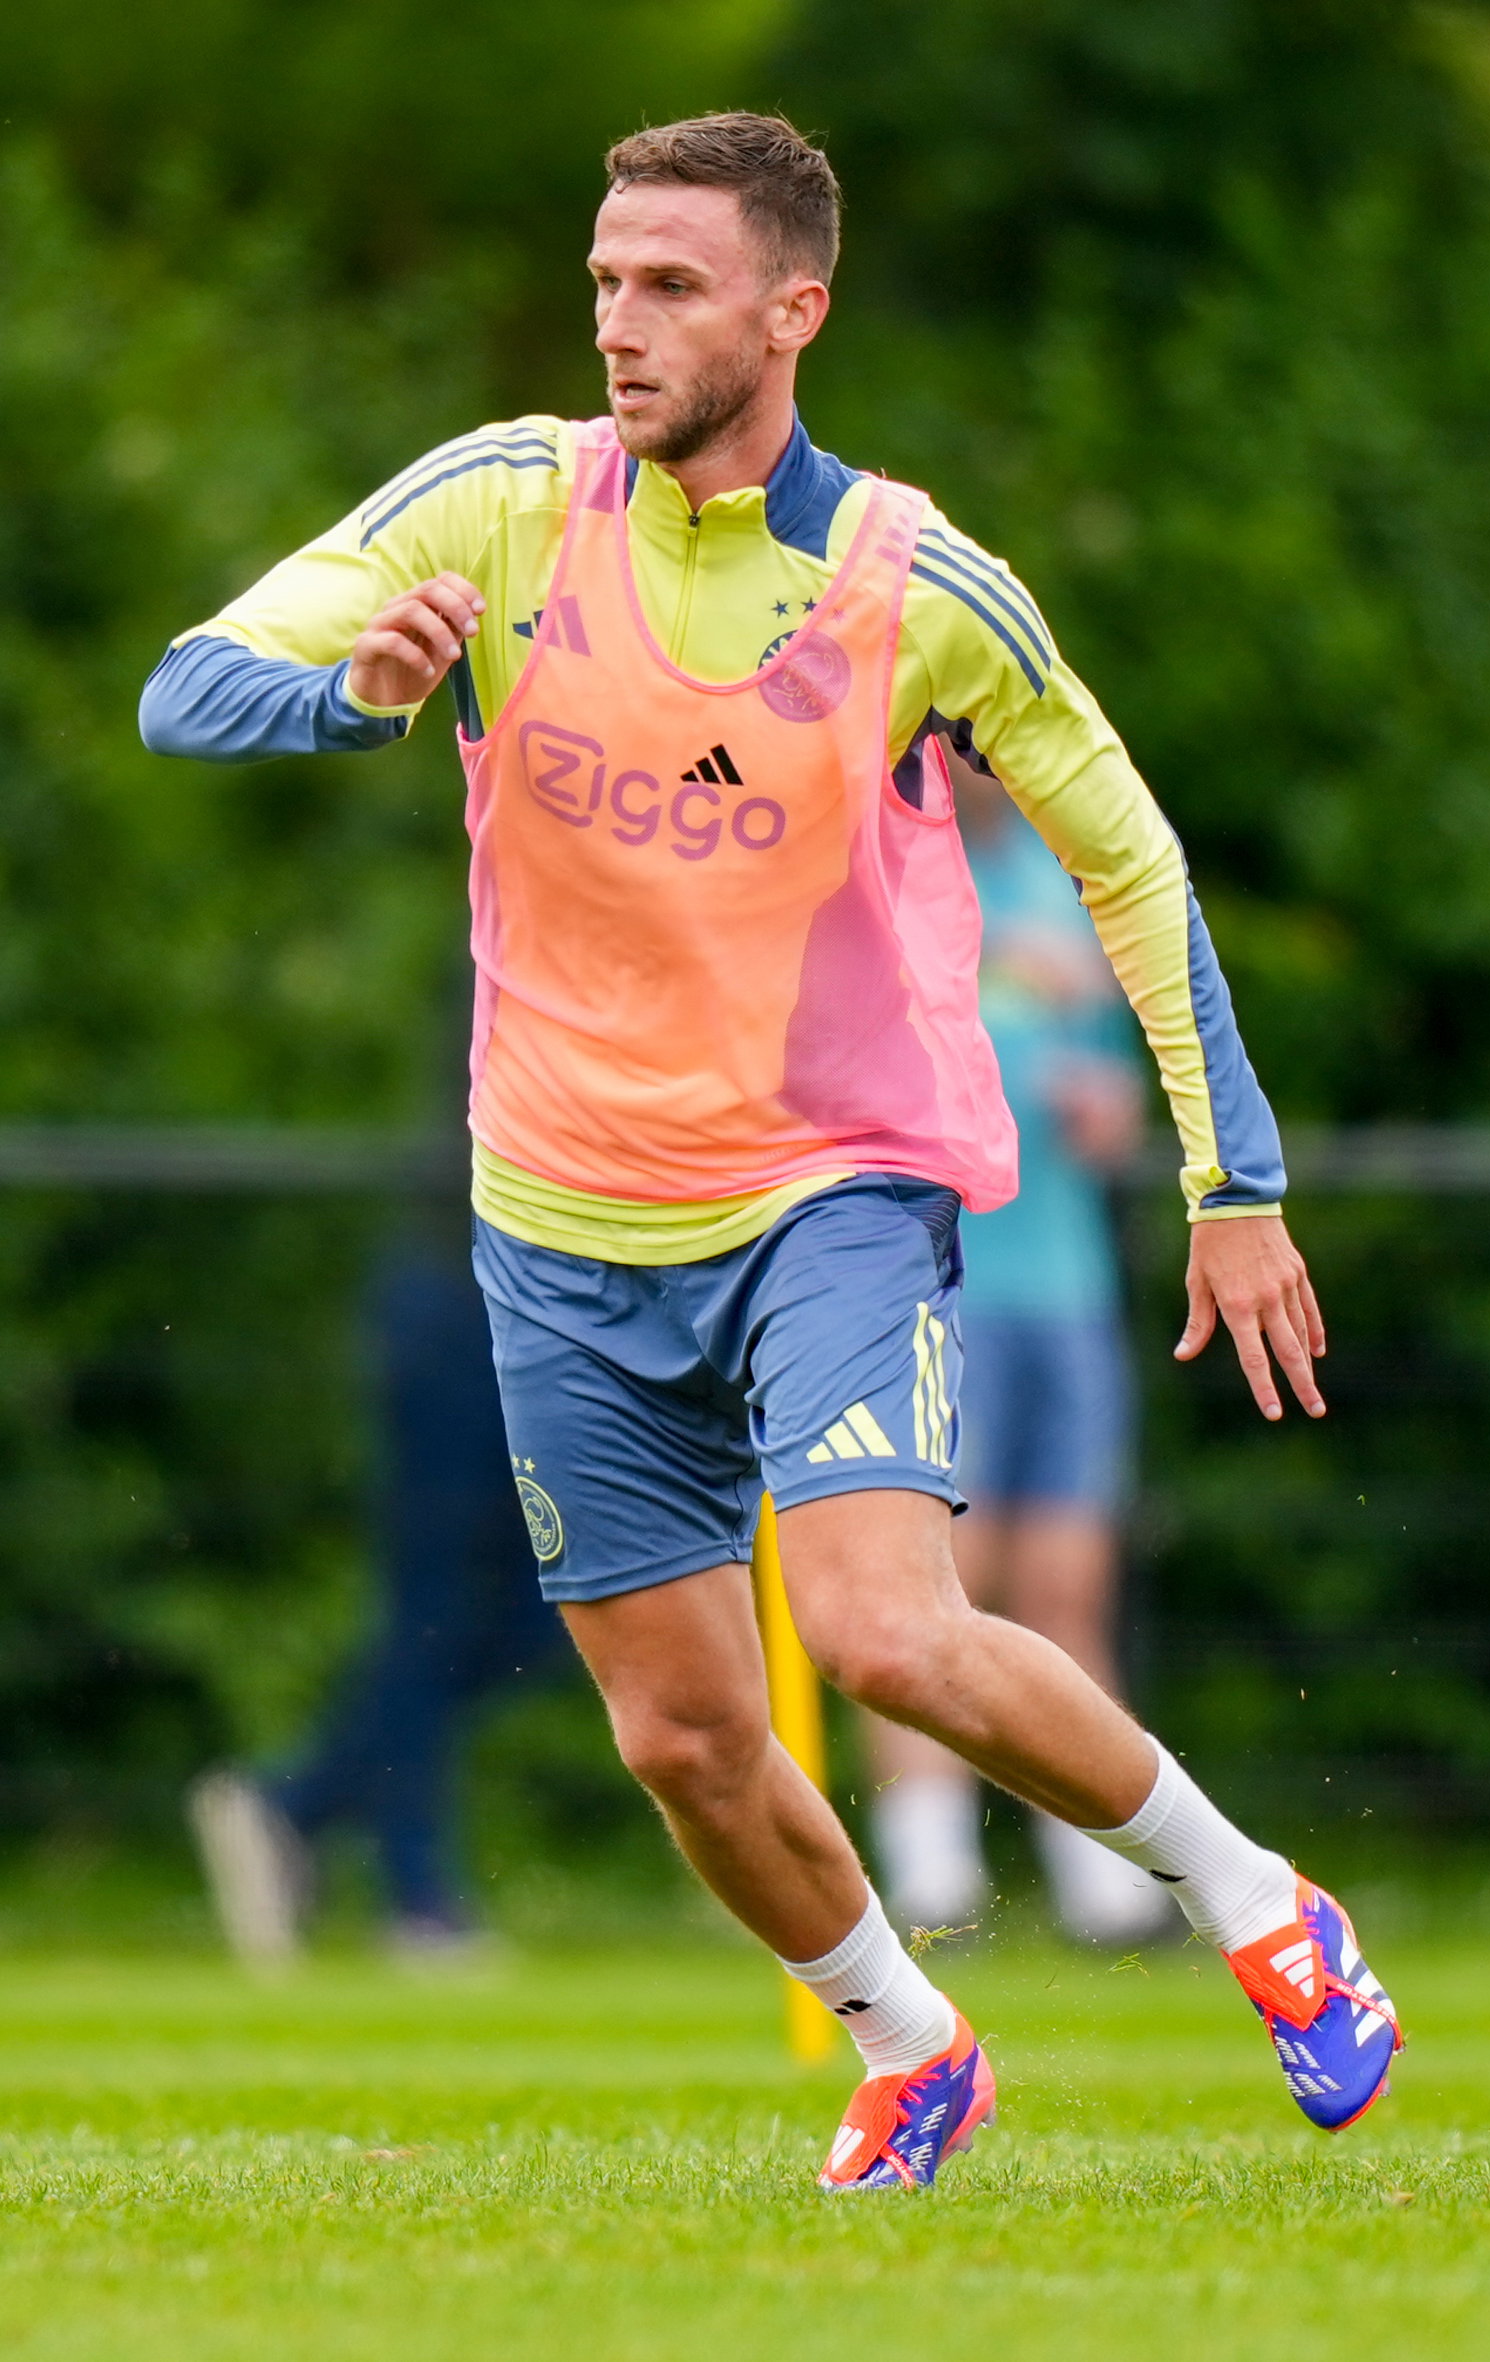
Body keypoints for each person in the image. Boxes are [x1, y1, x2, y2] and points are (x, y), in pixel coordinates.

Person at [140, 114, 1398, 2189]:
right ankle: (910, 2041)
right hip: (551, 1214)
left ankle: (1252, 1895)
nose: (618, 325)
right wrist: (349, 705)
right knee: (679, 1737)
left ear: (791, 310)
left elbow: (1129, 856)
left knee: (887, 1633)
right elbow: (184, 690)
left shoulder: (915, 582)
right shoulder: (502, 504)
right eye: (603, 284)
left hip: (830, 1183)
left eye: (669, 287)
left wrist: (1230, 1180)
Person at [863, 760, 1177, 1946]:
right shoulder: (881, 867)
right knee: (936, 1586)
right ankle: (932, 1874)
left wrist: (1109, 1106)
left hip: (1067, 1285)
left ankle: (1104, 1873)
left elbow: (1107, 1077)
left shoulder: (1057, 880)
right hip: (938, 1287)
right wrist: (998, 978)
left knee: (1066, 1590)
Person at [189, 1220, 564, 1967]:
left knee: (546, 1616)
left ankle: (296, 1802)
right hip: (456, 1299)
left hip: (552, 1315)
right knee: (431, 1615)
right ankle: (416, 1897)